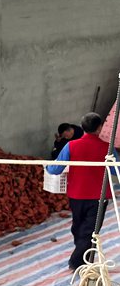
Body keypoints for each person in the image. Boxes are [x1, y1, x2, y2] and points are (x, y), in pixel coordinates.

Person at [47, 113, 116, 270]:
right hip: (99, 197)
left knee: (78, 227)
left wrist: (47, 166)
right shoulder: (107, 148)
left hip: (77, 194)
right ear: (99, 128)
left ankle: (81, 258)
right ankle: (78, 261)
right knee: (89, 231)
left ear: (82, 127)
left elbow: (55, 169)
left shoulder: (71, 146)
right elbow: (114, 169)